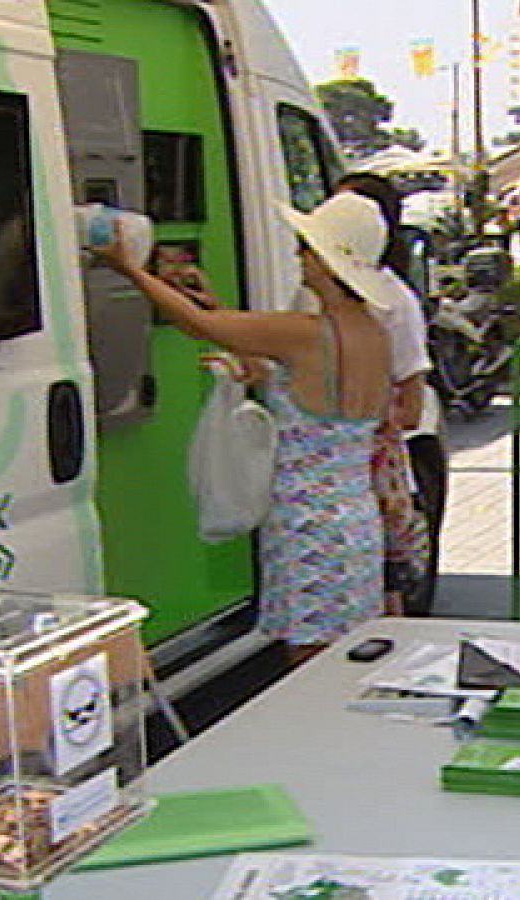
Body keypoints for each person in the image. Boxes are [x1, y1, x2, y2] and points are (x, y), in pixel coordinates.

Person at [96, 192, 397, 663]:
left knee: (308, 669)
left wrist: (129, 269)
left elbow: (201, 326)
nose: (298, 257)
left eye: (306, 248)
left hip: (306, 529)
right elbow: (311, 390)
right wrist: (218, 312)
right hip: (356, 521)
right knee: (341, 664)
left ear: (327, 262)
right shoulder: (373, 334)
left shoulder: (306, 331)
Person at [333, 171, 434, 615]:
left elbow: (411, 408)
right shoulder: (322, 297)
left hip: (370, 473)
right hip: (343, 473)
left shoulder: (395, 301)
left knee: (383, 596)